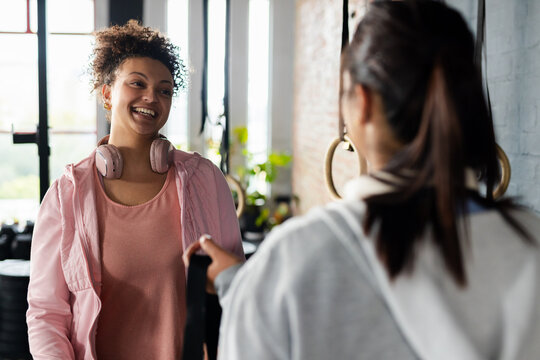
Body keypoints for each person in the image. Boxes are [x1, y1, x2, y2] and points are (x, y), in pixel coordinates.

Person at [184, 2, 540, 359]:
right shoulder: (529, 243)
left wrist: (248, 289)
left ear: (363, 104)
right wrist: (239, 284)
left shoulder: (293, 258)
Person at [26, 20, 244, 359]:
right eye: (137, 83)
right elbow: (45, 312)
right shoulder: (65, 196)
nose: (151, 97)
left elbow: (236, 289)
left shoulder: (206, 180)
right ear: (108, 93)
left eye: (164, 90)